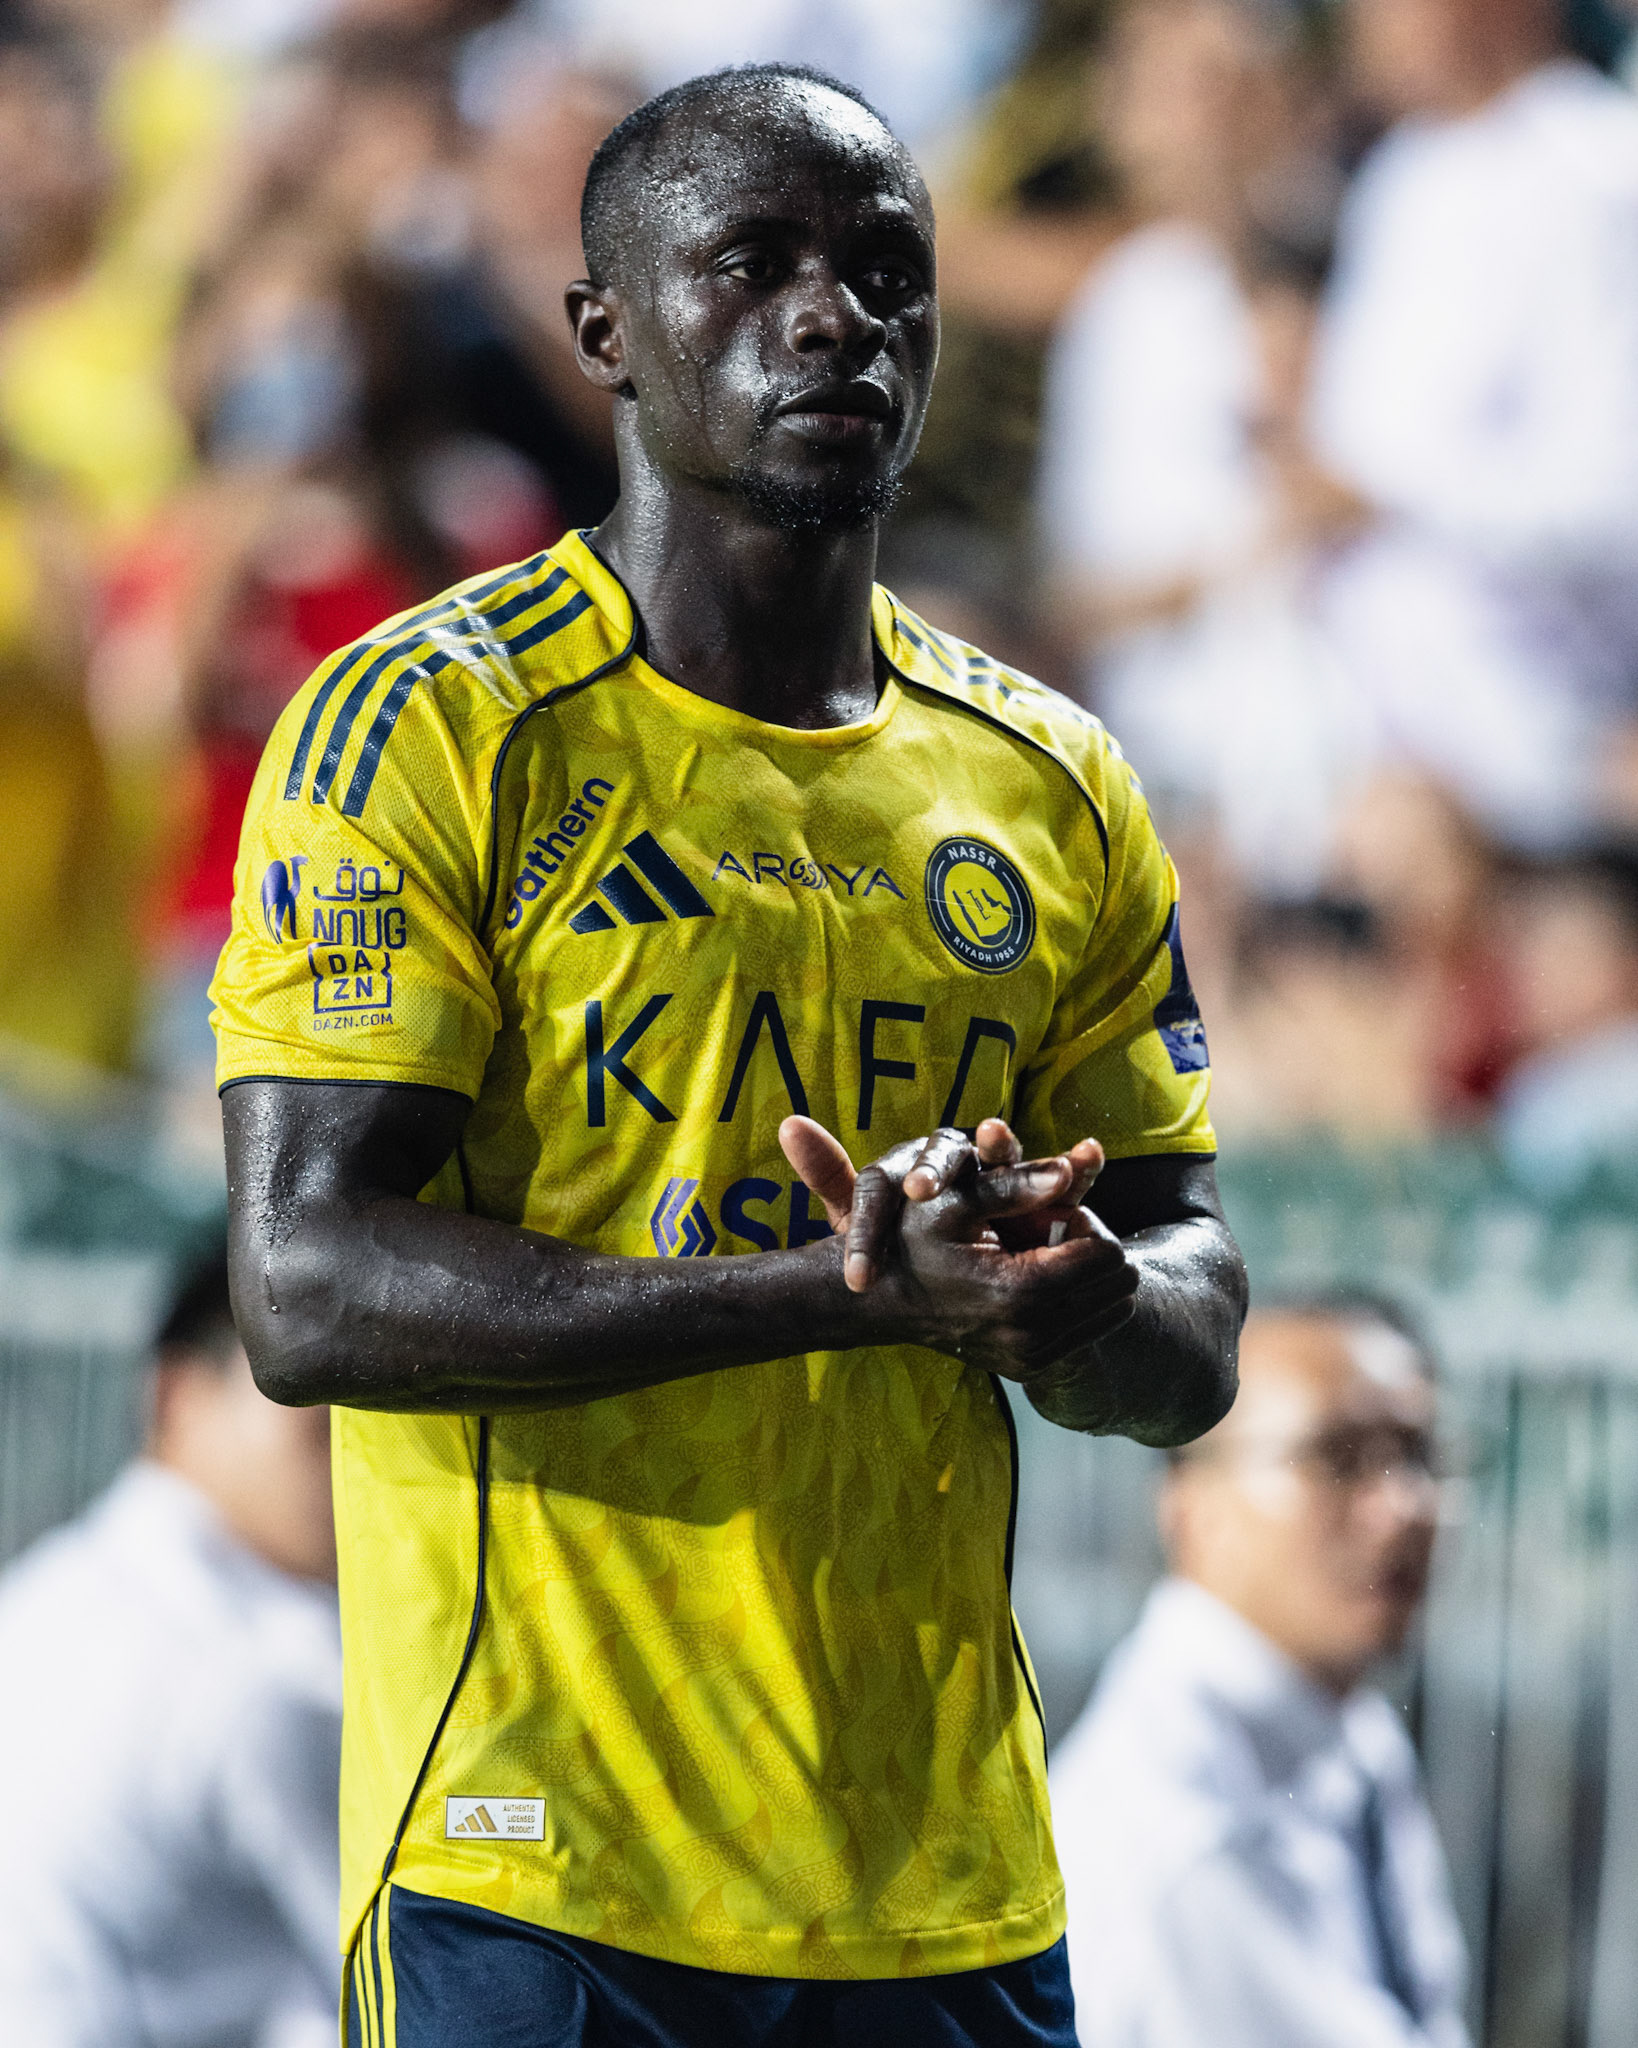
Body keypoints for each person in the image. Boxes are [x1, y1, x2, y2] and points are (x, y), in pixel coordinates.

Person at [210, 62, 1246, 2044]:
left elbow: (1195, 1317)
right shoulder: (432, 730)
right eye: (753, 261)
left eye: (887, 272)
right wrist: (849, 1288)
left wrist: (1077, 1293)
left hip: (940, 1884)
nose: (836, 314)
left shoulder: (1052, 781)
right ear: (603, 328)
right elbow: (308, 1283)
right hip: (538, 1873)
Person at [1051, 1296, 1469, 2048]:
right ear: (1189, 1507)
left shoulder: (1344, 1732)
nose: (1403, 1506)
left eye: (1420, 1455)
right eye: (1337, 1458)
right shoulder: (1184, 1832)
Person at [1307, 0, 1638, 850]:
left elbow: (1613, 503)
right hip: (1368, 748)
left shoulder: (1602, 167)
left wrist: (1385, 495)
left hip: (1546, 760)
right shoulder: (1400, 175)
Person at [0, 1247, 343, 2047]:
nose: (361, 1470)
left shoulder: (46, 1593)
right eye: (325, 1427)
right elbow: (407, 1978)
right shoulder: (267, 1668)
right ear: (180, 1395)